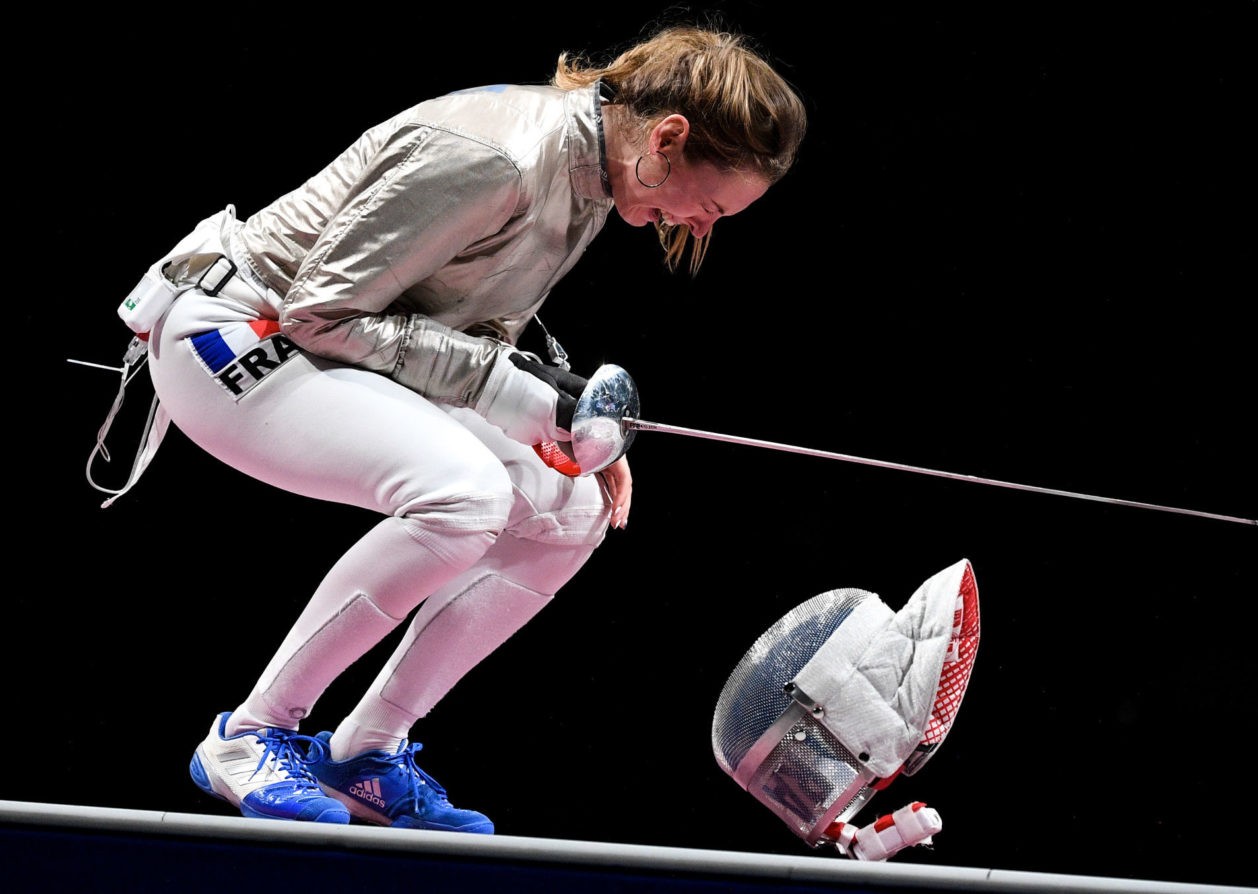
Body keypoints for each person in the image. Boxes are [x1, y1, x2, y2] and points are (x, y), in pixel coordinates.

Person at [115, 21, 807, 833]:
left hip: (337, 347)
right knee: (464, 494)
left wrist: (562, 417)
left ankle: (363, 754)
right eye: (711, 204)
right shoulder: (502, 158)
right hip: (237, 332)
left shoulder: (592, 172)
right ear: (667, 137)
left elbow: (466, 319)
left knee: (571, 511)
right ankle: (251, 734)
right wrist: (509, 394)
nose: (699, 228)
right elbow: (320, 312)